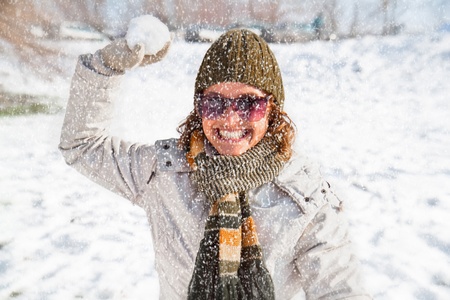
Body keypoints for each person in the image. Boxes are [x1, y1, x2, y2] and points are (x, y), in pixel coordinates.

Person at [59, 27, 371, 299]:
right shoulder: (164, 171)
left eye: (249, 103)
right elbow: (82, 145)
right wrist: (105, 68)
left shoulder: (304, 198)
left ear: (273, 110)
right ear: (199, 108)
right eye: (214, 102)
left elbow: (341, 290)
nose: (230, 118)